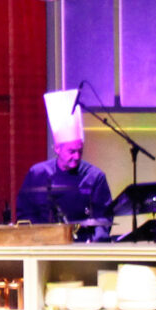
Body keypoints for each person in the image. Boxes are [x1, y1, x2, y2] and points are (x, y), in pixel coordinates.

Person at [15, 87, 114, 229]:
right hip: (43, 244)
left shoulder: (95, 177)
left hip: (83, 246)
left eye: (80, 151)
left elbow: (103, 219)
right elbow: (25, 214)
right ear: (57, 149)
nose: (77, 156)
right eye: (71, 151)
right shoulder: (36, 174)